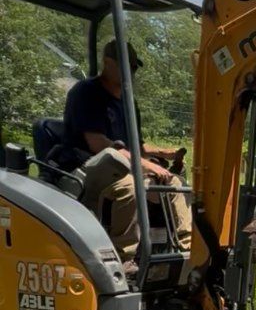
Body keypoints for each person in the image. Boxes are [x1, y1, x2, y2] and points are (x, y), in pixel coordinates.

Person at [62, 38, 191, 265]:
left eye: (133, 67)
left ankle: (186, 250)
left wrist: (166, 155)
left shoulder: (128, 102)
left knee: (173, 184)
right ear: (108, 62)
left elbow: (136, 146)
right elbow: (98, 144)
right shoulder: (86, 93)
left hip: (120, 167)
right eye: (126, 65)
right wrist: (148, 165)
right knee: (130, 187)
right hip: (88, 171)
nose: (131, 71)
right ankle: (124, 261)